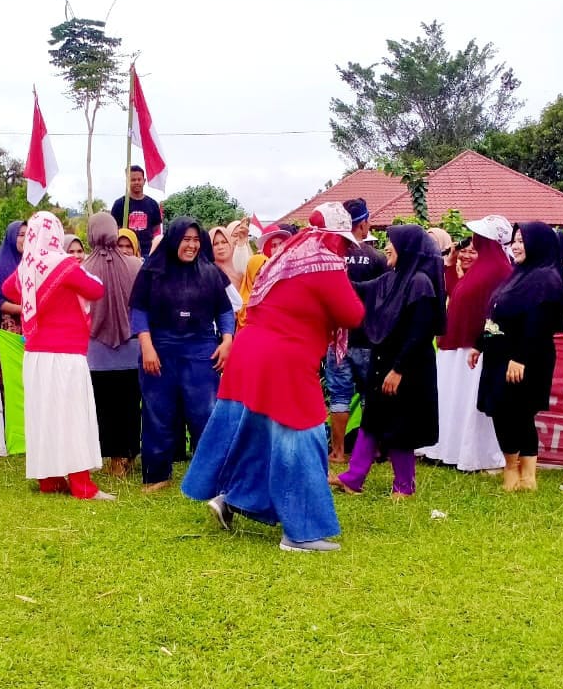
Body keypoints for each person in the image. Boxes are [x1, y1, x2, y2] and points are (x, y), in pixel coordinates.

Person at [181, 205, 365, 553]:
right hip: (285, 359)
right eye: (347, 242)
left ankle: (232, 498)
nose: (348, 249)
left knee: (259, 436)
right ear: (336, 237)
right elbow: (351, 313)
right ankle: (300, 533)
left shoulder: (290, 254)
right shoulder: (325, 260)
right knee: (303, 438)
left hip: (251, 351)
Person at [1, 211, 113, 501]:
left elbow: (5, 289)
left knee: (44, 416)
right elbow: (96, 289)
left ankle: (49, 480)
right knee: (72, 417)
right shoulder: (63, 265)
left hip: (35, 355)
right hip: (66, 354)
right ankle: (82, 485)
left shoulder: (27, 266)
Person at [332, 225, 446, 498]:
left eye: (391, 243)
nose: (385, 247)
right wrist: (331, 268)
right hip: (383, 360)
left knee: (400, 425)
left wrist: (398, 370)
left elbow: (420, 333)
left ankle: (404, 486)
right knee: (373, 419)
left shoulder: (420, 283)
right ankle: (353, 478)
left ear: (406, 247)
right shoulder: (391, 279)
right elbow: (358, 289)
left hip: (407, 366)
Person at [130, 216, 235, 493]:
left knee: (205, 414)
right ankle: (157, 475)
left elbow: (225, 311)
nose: (191, 246)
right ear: (174, 239)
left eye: (196, 240)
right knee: (158, 414)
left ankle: (210, 478)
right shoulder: (152, 271)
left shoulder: (210, 272)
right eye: (186, 240)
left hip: (201, 351)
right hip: (160, 350)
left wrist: (227, 340)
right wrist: (146, 345)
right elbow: (138, 311)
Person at [472, 222, 563, 492]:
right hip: (500, 355)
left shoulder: (546, 278)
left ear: (539, 244)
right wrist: (480, 344)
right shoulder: (518, 275)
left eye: (523, 240)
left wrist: (520, 357)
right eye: (514, 240)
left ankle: (524, 474)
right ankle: (515, 470)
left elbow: (539, 323)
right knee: (506, 413)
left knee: (518, 413)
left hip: (525, 357)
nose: (516, 245)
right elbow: (496, 315)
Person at [422, 215, 513, 471]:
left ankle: (470, 453)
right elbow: (459, 293)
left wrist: (480, 342)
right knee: (452, 397)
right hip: (455, 342)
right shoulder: (484, 268)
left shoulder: (498, 270)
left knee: (465, 400)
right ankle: (445, 447)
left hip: (472, 346)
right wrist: (450, 267)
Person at [321, 198, 387, 464]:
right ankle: (373, 449)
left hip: (337, 338)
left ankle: (337, 451)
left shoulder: (331, 256)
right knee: (372, 395)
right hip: (370, 339)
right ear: (364, 224)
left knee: (339, 396)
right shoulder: (378, 258)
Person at [82, 213, 144, 477]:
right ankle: (128, 454)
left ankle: (113, 459)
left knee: (103, 407)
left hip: (96, 352)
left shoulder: (83, 268)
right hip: (132, 350)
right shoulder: (137, 264)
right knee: (130, 404)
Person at [237, 225, 293, 328]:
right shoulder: (258, 263)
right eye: (273, 245)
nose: (278, 249)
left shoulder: (293, 270)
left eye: (281, 244)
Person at [111, 165, 163, 256]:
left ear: (144, 181)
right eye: (133, 180)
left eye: (139, 179)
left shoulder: (153, 204)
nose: (136, 182)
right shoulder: (119, 204)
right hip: (125, 252)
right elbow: (114, 228)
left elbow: (156, 228)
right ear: (127, 182)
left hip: (147, 252)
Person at [0, 221, 25, 332]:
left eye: (30, 235)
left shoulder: (33, 263)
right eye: (21, 235)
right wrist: (25, 309)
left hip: (31, 325)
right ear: (11, 238)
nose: (27, 239)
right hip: (9, 330)